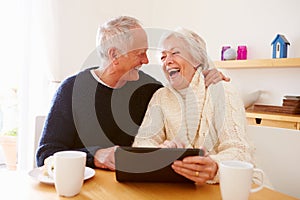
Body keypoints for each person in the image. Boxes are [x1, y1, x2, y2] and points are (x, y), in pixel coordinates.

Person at [36, 16, 228, 170]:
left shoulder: (149, 88)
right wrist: (94, 156)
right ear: (114, 55)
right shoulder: (71, 90)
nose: (146, 60)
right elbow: (46, 155)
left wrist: (203, 77)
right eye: (140, 53)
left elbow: (179, 96)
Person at [132, 27, 253, 185]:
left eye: (175, 53)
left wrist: (215, 166)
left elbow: (239, 150)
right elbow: (142, 142)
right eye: (163, 57)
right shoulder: (161, 96)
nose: (167, 61)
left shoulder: (222, 91)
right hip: (176, 186)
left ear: (197, 59)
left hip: (222, 186)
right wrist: (160, 152)